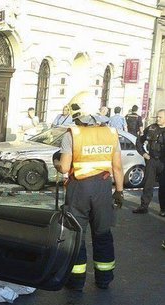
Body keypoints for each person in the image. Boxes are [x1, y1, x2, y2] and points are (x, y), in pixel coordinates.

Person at [53, 103, 122, 291]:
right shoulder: (110, 133)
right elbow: (117, 167)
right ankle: (104, 279)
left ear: (78, 117)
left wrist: (57, 163)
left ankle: (76, 282)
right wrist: (120, 191)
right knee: (103, 234)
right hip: (103, 187)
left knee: (77, 235)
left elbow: (66, 168)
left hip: (79, 189)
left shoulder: (72, 135)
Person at [132, 109, 165, 216]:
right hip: (151, 160)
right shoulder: (152, 128)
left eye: (160, 117)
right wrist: (143, 154)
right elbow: (139, 141)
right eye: (157, 117)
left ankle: (163, 209)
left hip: (163, 162)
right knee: (148, 185)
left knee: (163, 187)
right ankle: (143, 206)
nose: (158, 119)